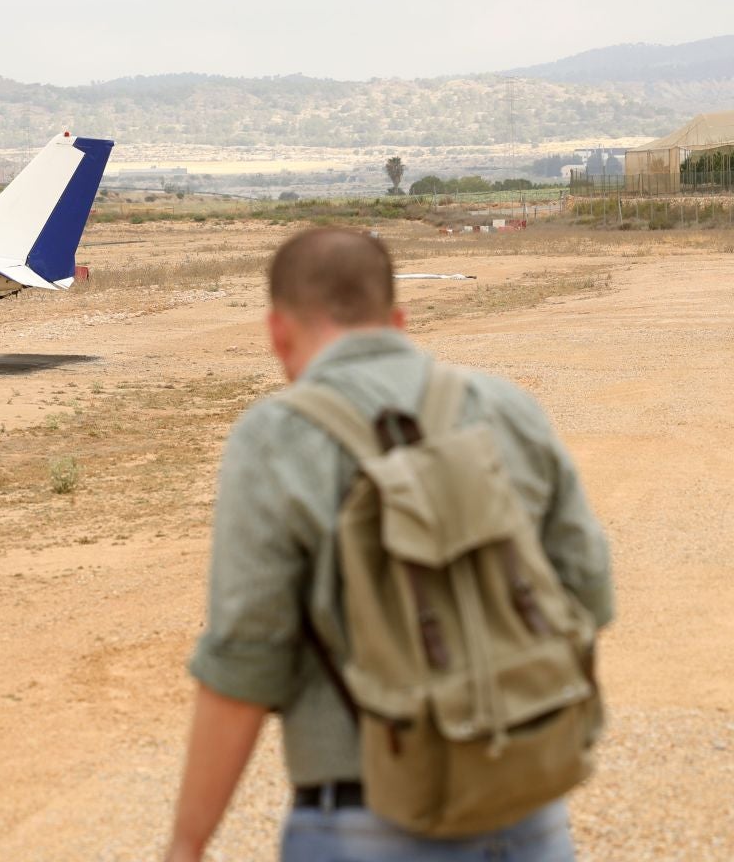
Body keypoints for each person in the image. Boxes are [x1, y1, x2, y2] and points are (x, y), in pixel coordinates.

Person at [163, 228, 613, 862]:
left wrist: (187, 843)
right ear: (399, 321)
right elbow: (589, 592)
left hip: (366, 819)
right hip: (527, 812)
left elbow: (245, 662)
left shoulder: (274, 439)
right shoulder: (508, 409)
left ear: (278, 333)